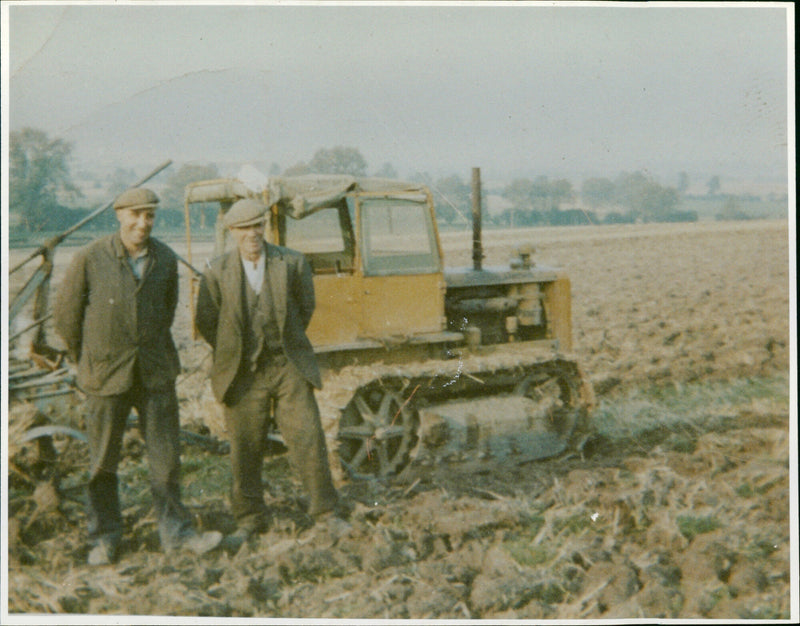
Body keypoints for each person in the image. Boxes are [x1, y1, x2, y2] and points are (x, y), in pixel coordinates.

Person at [53, 187, 222, 565]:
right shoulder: (90, 257)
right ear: (119, 216)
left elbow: (165, 311)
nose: (142, 223)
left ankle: (177, 534)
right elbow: (66, 318)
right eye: (135, 215)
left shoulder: (163, 257)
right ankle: (104, 538)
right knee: (102, 464)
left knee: (165, 462)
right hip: (105, 376)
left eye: (150, 216)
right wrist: (91, 360)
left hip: (154, 374)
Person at [195, 198, 340, 538]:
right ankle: (249, 519)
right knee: (245, 446)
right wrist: (235, 353)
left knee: (308, 438)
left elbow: (305, 309)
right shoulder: (217, 271)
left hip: (287, 366)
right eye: (244, 228)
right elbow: (207, 321)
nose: (252, 233)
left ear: (265, 226)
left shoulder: (291, 263)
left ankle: (326, 513)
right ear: (232, 231)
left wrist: (281, 343)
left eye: (257, 225)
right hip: (243, 373)